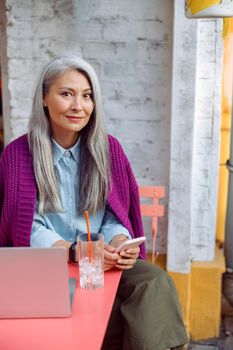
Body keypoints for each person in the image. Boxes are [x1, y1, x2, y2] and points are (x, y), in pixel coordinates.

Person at [0, 56, 188, 350]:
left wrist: (121, 243)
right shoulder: (17, 155)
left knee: (155, 282)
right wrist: (77, 251)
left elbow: (115, 215)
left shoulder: (108, 149)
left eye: (87, 96)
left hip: (102, 261)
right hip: (48, 264)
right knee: (109, 314)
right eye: (66, 94)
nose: (79, 106)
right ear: (44, 98)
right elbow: (26, 228)